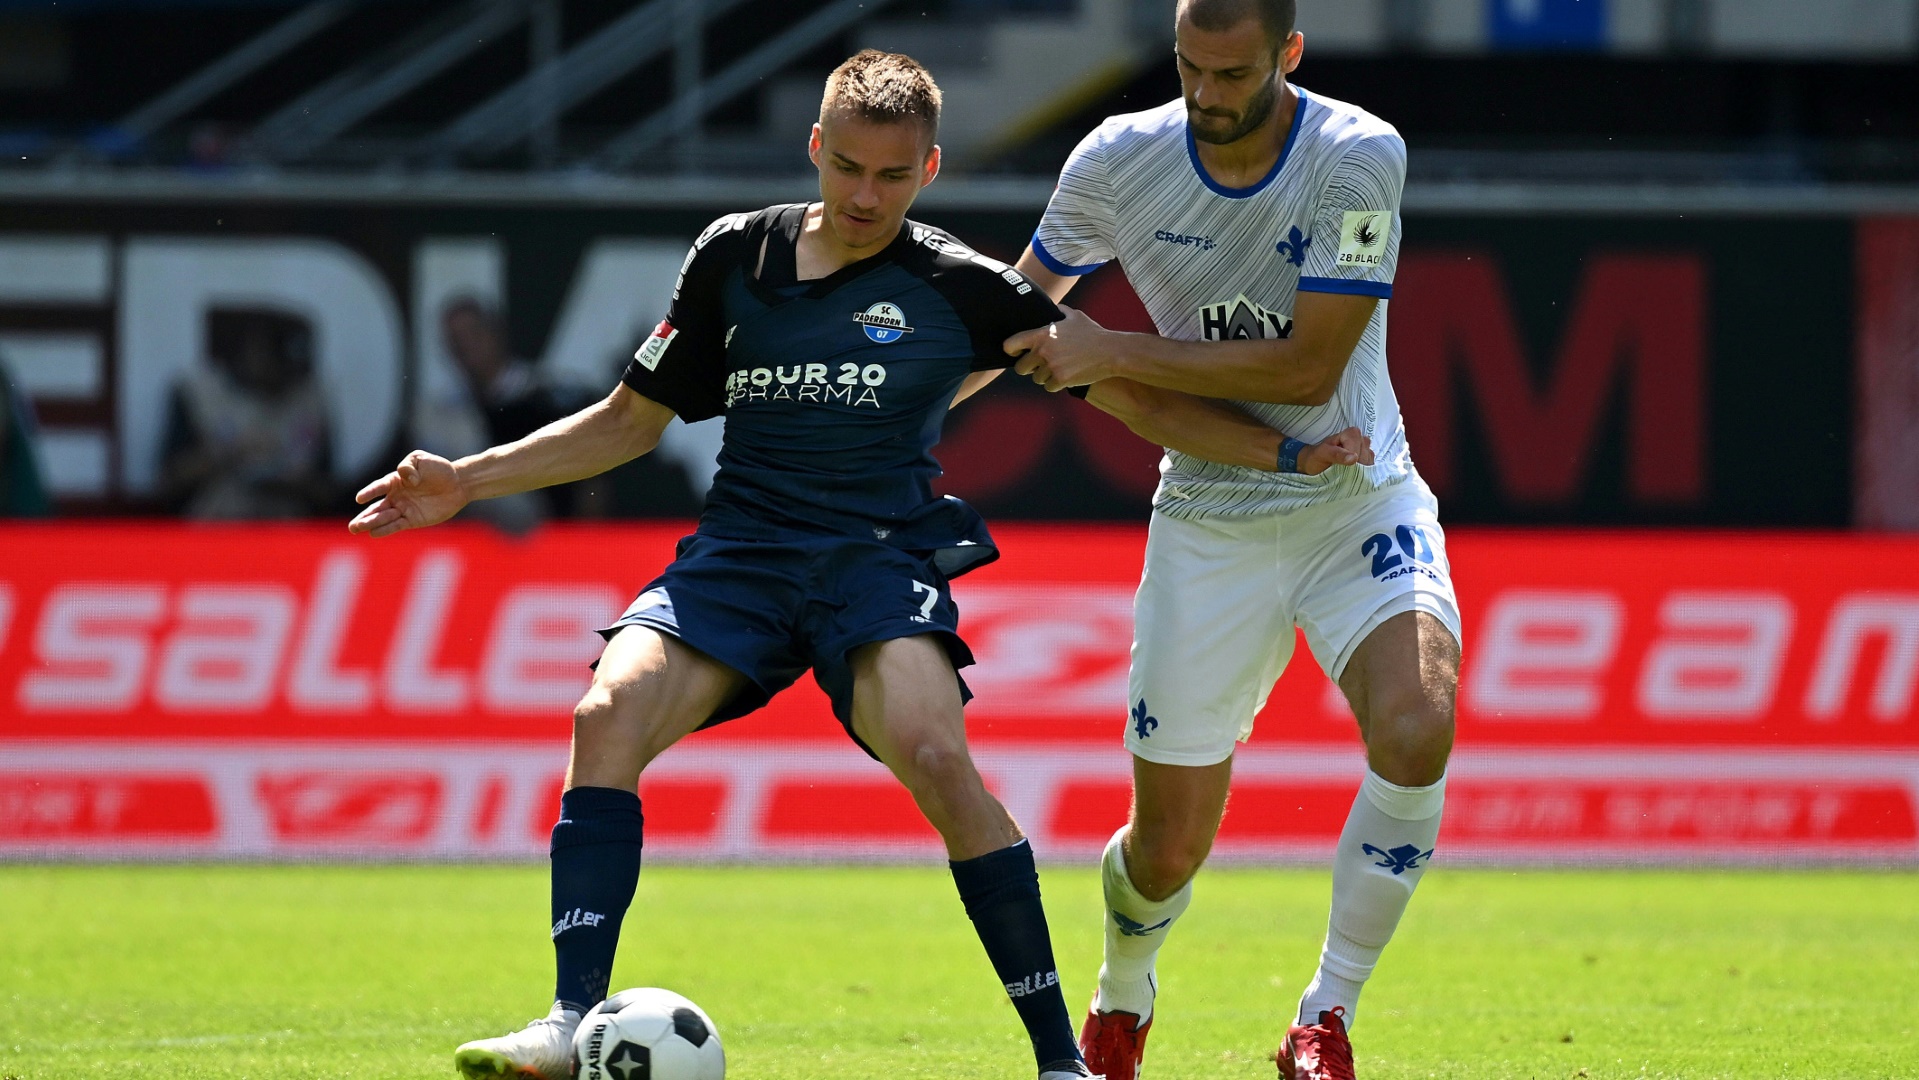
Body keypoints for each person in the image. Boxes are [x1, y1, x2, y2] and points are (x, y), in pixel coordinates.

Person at [350, 50, 1366, 1080]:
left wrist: (1282, 450)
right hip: (739, 556)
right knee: (604, 716)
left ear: (927, 168)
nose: (864, 195)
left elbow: (1127, 395)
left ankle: (1061, 1061)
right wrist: (469, 481)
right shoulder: (731, 258)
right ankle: (571, 1019)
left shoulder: (964, 287)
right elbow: (625, 422)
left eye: (890, 176)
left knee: (935, 756)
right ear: (814, 151)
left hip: (874, 562)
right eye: (845, 170)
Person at [1005, 2, 1460, 1078]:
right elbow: (1021, 318)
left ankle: (1323, 1016)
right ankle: (1121, 997)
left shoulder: (1355, 156)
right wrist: (905, 405)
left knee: (1416, 725)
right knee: (1162, 852)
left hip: (1358, 494)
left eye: (1233, 73)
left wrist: (1109, 353)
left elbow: (1306, 370)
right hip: (1207, 519)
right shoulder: (1116, 161)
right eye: (1189, 69)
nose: (1208, 94)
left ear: (1287, 54)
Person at [159, 309, 337, 519]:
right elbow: (169, 480)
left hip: (288, 533)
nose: (273, 370)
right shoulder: (199, 393)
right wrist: (230, 455)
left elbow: (329, 491)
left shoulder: (310, 399)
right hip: (215, 529)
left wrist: (290, 481)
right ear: (246, 350)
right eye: (265, 353)